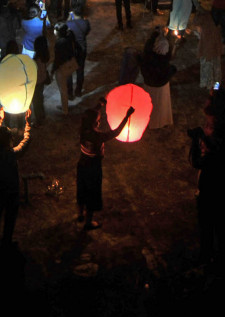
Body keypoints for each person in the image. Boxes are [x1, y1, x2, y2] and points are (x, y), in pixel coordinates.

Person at [77, 100, 135, 230]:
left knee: (82, 190)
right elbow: (116, 132)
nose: (100, 120)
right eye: (99, 119)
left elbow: (89, 114)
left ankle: (80, 214)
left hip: (82, 164)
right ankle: (88, 222)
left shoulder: (82, 128)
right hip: (93, 168)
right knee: (92, 193)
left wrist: (99, 105)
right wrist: (127, 116)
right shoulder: (98, 136)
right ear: (95, 123)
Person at [189, 112, 225, 263]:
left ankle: (208, 258)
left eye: (209, 127)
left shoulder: (213, 157)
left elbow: (196, 162)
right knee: (222, 229)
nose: (206, 129)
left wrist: (196, 142)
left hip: (210, 197)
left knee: (208, 230)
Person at [140, 28, 175, 129]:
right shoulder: (164, 63)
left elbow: (146, 49)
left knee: (149, 105)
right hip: (161, 88)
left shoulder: (148, 59)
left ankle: (148, 121)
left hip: (149, 86)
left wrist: (155, 35)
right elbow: (168, 73)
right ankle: (161, 121)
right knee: (161, 105)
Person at [53, 23, 79, 115]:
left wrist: (53, 71)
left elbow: (57, 59)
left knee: (63, 89)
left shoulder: (59, 43)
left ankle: (65, 110)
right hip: (70, 65)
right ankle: (66, 105)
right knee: (66, 86)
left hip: (62, 67)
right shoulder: (69, 38)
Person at [66, 8, 91, 97]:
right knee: (80, 71)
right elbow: (87, 31)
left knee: (69, 72)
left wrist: (69, 16)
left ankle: (69, 92)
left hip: (71, 50)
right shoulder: (86, 22)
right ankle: (78, 91)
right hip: (82, 49)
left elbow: (65, 29)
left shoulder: (69, 23)